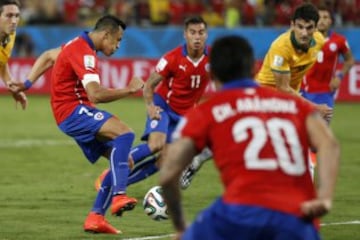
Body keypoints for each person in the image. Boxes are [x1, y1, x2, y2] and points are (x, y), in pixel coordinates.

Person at [159, 35, 340, 240]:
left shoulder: (207, 111)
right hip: (296, 217)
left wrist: (181, 225)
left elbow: (168, 173)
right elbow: (329, 144)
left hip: (239, 214)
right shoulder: (294, 105)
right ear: (254, 69)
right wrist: (324, 197)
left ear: (213, 74)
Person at [10, 15, 144, 235]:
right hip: (73, 111)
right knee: (125, 134)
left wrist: (26, 83)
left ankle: (95, 217)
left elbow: (47, 56)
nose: (118, 46)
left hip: (71, 112)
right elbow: (96, 94)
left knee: (124, 161)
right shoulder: (83, 53)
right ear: (106, 34)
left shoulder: (75, 44)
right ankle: (119, 195)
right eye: (117, 40)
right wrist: (129, 90)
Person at [94, 16, 213, 190]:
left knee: (164, 160)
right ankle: (114, 170)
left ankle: (116, 183)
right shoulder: (172, 58)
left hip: (185, 116)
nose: (197, 37)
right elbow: (149, 85)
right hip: (163, 106)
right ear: (185, 35)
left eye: (201, 33)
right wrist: (150, 107)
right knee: (156, 144)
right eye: (192, 32)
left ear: (206, 35)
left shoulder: (214, 59)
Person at [300, 4, 354, 177]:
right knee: (301, 135)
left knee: (317, 138)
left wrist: (339, 76)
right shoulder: (305, 38)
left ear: (331, 21)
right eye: (319, 17)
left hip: (324, 94)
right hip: (302, 92)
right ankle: (306, 174)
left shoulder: (338, 41)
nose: (322, 21)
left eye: (325, 17)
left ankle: (311, 171)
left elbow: (349, 60)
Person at [255, 3, 332, 121]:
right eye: (300, 27)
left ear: (316, 28)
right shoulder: (281, 48)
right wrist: (314, 107)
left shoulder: (319, 41)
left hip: (289, 97)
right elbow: (283, 88)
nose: (304, 33)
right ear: (292, 25)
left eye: (309, 27)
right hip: (266, 96)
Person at [0, 0, 27, 109]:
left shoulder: (10, 35)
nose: (14, 21)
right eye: (9, 16)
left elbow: (2, 62)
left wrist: (12, 87)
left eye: (16, 16)